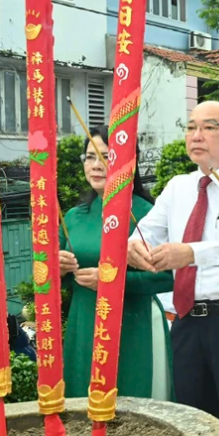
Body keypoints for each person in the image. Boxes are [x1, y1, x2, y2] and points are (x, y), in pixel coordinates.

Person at [127, 101, 219, 436]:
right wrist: (132, 246)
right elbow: (144, 233)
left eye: (209, 127)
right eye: (191, 127)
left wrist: (191, 253)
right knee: (191, 421)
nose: (197, 135)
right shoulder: (179, 186)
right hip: (187, 321)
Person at [58, 125, 173, 399]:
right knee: (84, 404)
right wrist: (59, 269)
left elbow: (167, 276)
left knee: (134, 406)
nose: (96, 165)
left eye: (107, 157)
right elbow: (61, 277)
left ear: (127, 163)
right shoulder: (74, 216)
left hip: (133, 324)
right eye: (90, 157)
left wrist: (111, 281)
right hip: (84, 321)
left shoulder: (146, 214)